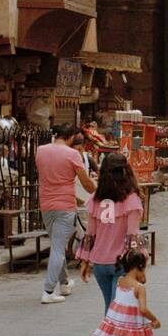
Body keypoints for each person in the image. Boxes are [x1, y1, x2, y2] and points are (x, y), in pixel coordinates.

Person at [77, 152, 143, 316]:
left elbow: (90, 234)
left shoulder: (95, 199)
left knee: (110, 306)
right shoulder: (132, 200)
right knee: (116, 311)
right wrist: (139, 267)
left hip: (99, 263)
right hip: (121, 263)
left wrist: (85, 260)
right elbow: (132, 237)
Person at [35, 125, 96, 303]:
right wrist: (97, 188)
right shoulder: (72, 154)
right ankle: (48, 291)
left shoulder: (40, 151)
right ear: (70, 138)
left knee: (56, 244)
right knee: (58, 248)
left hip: (46, 204)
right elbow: (86, 184)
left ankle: (64, 282)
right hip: (65, 205)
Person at [88, 249, 160, 336]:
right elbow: (143, 309)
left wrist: (141, 275)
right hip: (135, 325)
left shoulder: (120, 281)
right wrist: (155, 319)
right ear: (140, 266)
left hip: (120, 323)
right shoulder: (139, 288)